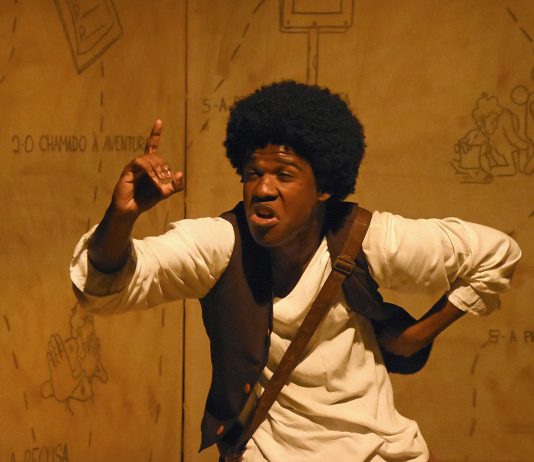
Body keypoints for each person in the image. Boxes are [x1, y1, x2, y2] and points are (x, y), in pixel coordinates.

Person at [70, 81, 521, 461]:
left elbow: (496, 254)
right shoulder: (221, 244)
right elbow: (106, 285)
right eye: (252, 173)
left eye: (284, 175)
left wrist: (415, 336)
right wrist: (122, 217)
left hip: (375, 452)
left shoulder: (367, 239)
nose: (263, 189)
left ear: (324, 186)